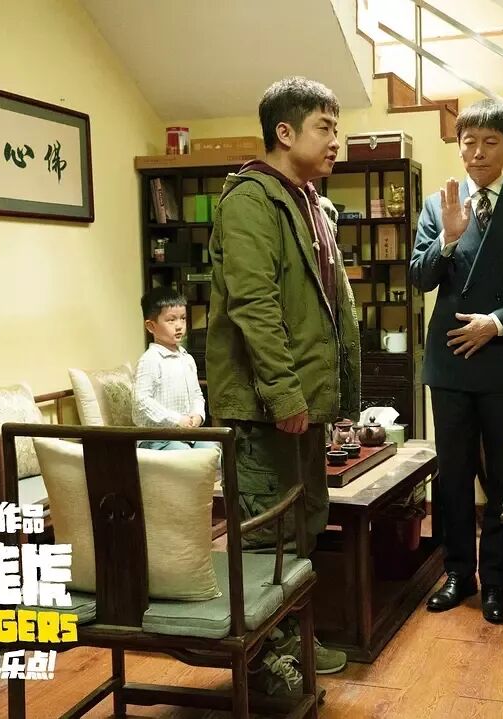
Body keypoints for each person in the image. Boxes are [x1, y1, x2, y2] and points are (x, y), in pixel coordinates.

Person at [206, 76, 361, 692]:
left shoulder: (310, 202)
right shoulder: (251, 199)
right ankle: (261, 661)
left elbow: (327, 308)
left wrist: (330, 397)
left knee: (304, 523)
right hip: (263, 405)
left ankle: (291, 635)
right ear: (285, 132)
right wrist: (285, 394)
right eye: (325, 128)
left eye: (336, 128)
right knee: (264, 531)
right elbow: (255, 305)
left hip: (303, 401)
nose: (335, 141)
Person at [410, 99, 503, 625]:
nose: (477, 152)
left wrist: (495, 324)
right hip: (451, 358)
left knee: (502, 477)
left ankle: (497, 579)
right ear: (459, 146)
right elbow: (420, 278)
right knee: (452, 475)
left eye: (490, 142)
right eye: (468, 142)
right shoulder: (438, 206)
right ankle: (458, 573)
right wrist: (448, 239)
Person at [132, 287, 207, 450]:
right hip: (157, 438)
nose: (179, 326)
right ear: (151, 326)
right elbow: (142, 402)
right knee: (186, 456)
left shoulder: (187, 358)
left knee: (215, 448)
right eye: (171, 320)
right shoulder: (150, 360)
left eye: (183, 318)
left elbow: (197, 394)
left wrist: (198, 415)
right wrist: (176, 420)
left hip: (186, 435)